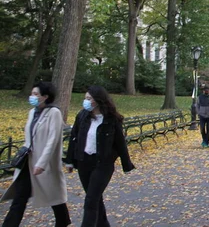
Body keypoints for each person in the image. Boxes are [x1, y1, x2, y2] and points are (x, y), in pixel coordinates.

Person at [1, 82, 71, 227]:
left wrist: (42, 163)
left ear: (45, 97)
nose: (31, 97)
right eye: (32, 93)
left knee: (54, 196)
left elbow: (52, 141)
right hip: (27, 161)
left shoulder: (54, 113)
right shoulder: (32, 112)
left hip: (44, 163)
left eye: (35, 94)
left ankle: (63, 221)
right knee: (19, 198)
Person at [65, 85, 135, 226]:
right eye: (85, 98)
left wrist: (126, 164)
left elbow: (120, 143)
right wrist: (70, 161)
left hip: (102, 164)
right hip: (84, 162)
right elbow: (74, 138)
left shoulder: (111, 119)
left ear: (98, 100)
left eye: (89, 98)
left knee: (91, 200)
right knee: (95, 199)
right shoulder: (82, 116)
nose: (85, 101)